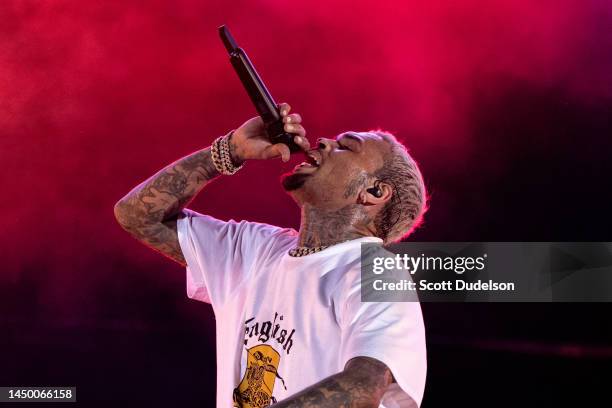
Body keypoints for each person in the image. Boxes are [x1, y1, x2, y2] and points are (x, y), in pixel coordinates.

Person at [114, 103, 428, 408]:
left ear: (374, 192)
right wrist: (231, 149)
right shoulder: (255, 248)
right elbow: (137, 215)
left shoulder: (378, 273)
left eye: (346, 146)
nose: (324, 141)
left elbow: (363, 388)